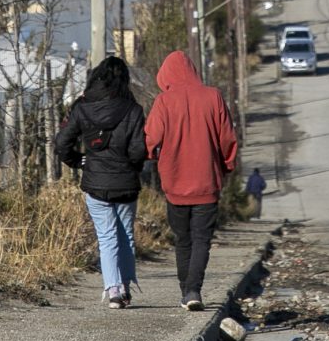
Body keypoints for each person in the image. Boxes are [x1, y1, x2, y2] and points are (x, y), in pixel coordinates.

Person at [144, 51, 239, 311]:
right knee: (201, 239)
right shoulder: (213, 97)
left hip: (175, 183)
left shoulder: (164, 101)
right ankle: (193, 289)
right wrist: (227, 165)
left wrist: (150, 155)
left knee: (182, 239)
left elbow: (151, 138)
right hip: (207, 180)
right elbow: (227, 138)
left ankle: (186, 289)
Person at [56, 55, 148, 309]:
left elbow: (62, 143)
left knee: (107, 237)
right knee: (126, 235)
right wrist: (131, 166)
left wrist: (79, 161)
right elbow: (139, 150)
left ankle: (113, 290)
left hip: (95, 183)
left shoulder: (82, 107)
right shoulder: (134, 109)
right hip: (127, 182)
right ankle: (126, 286)